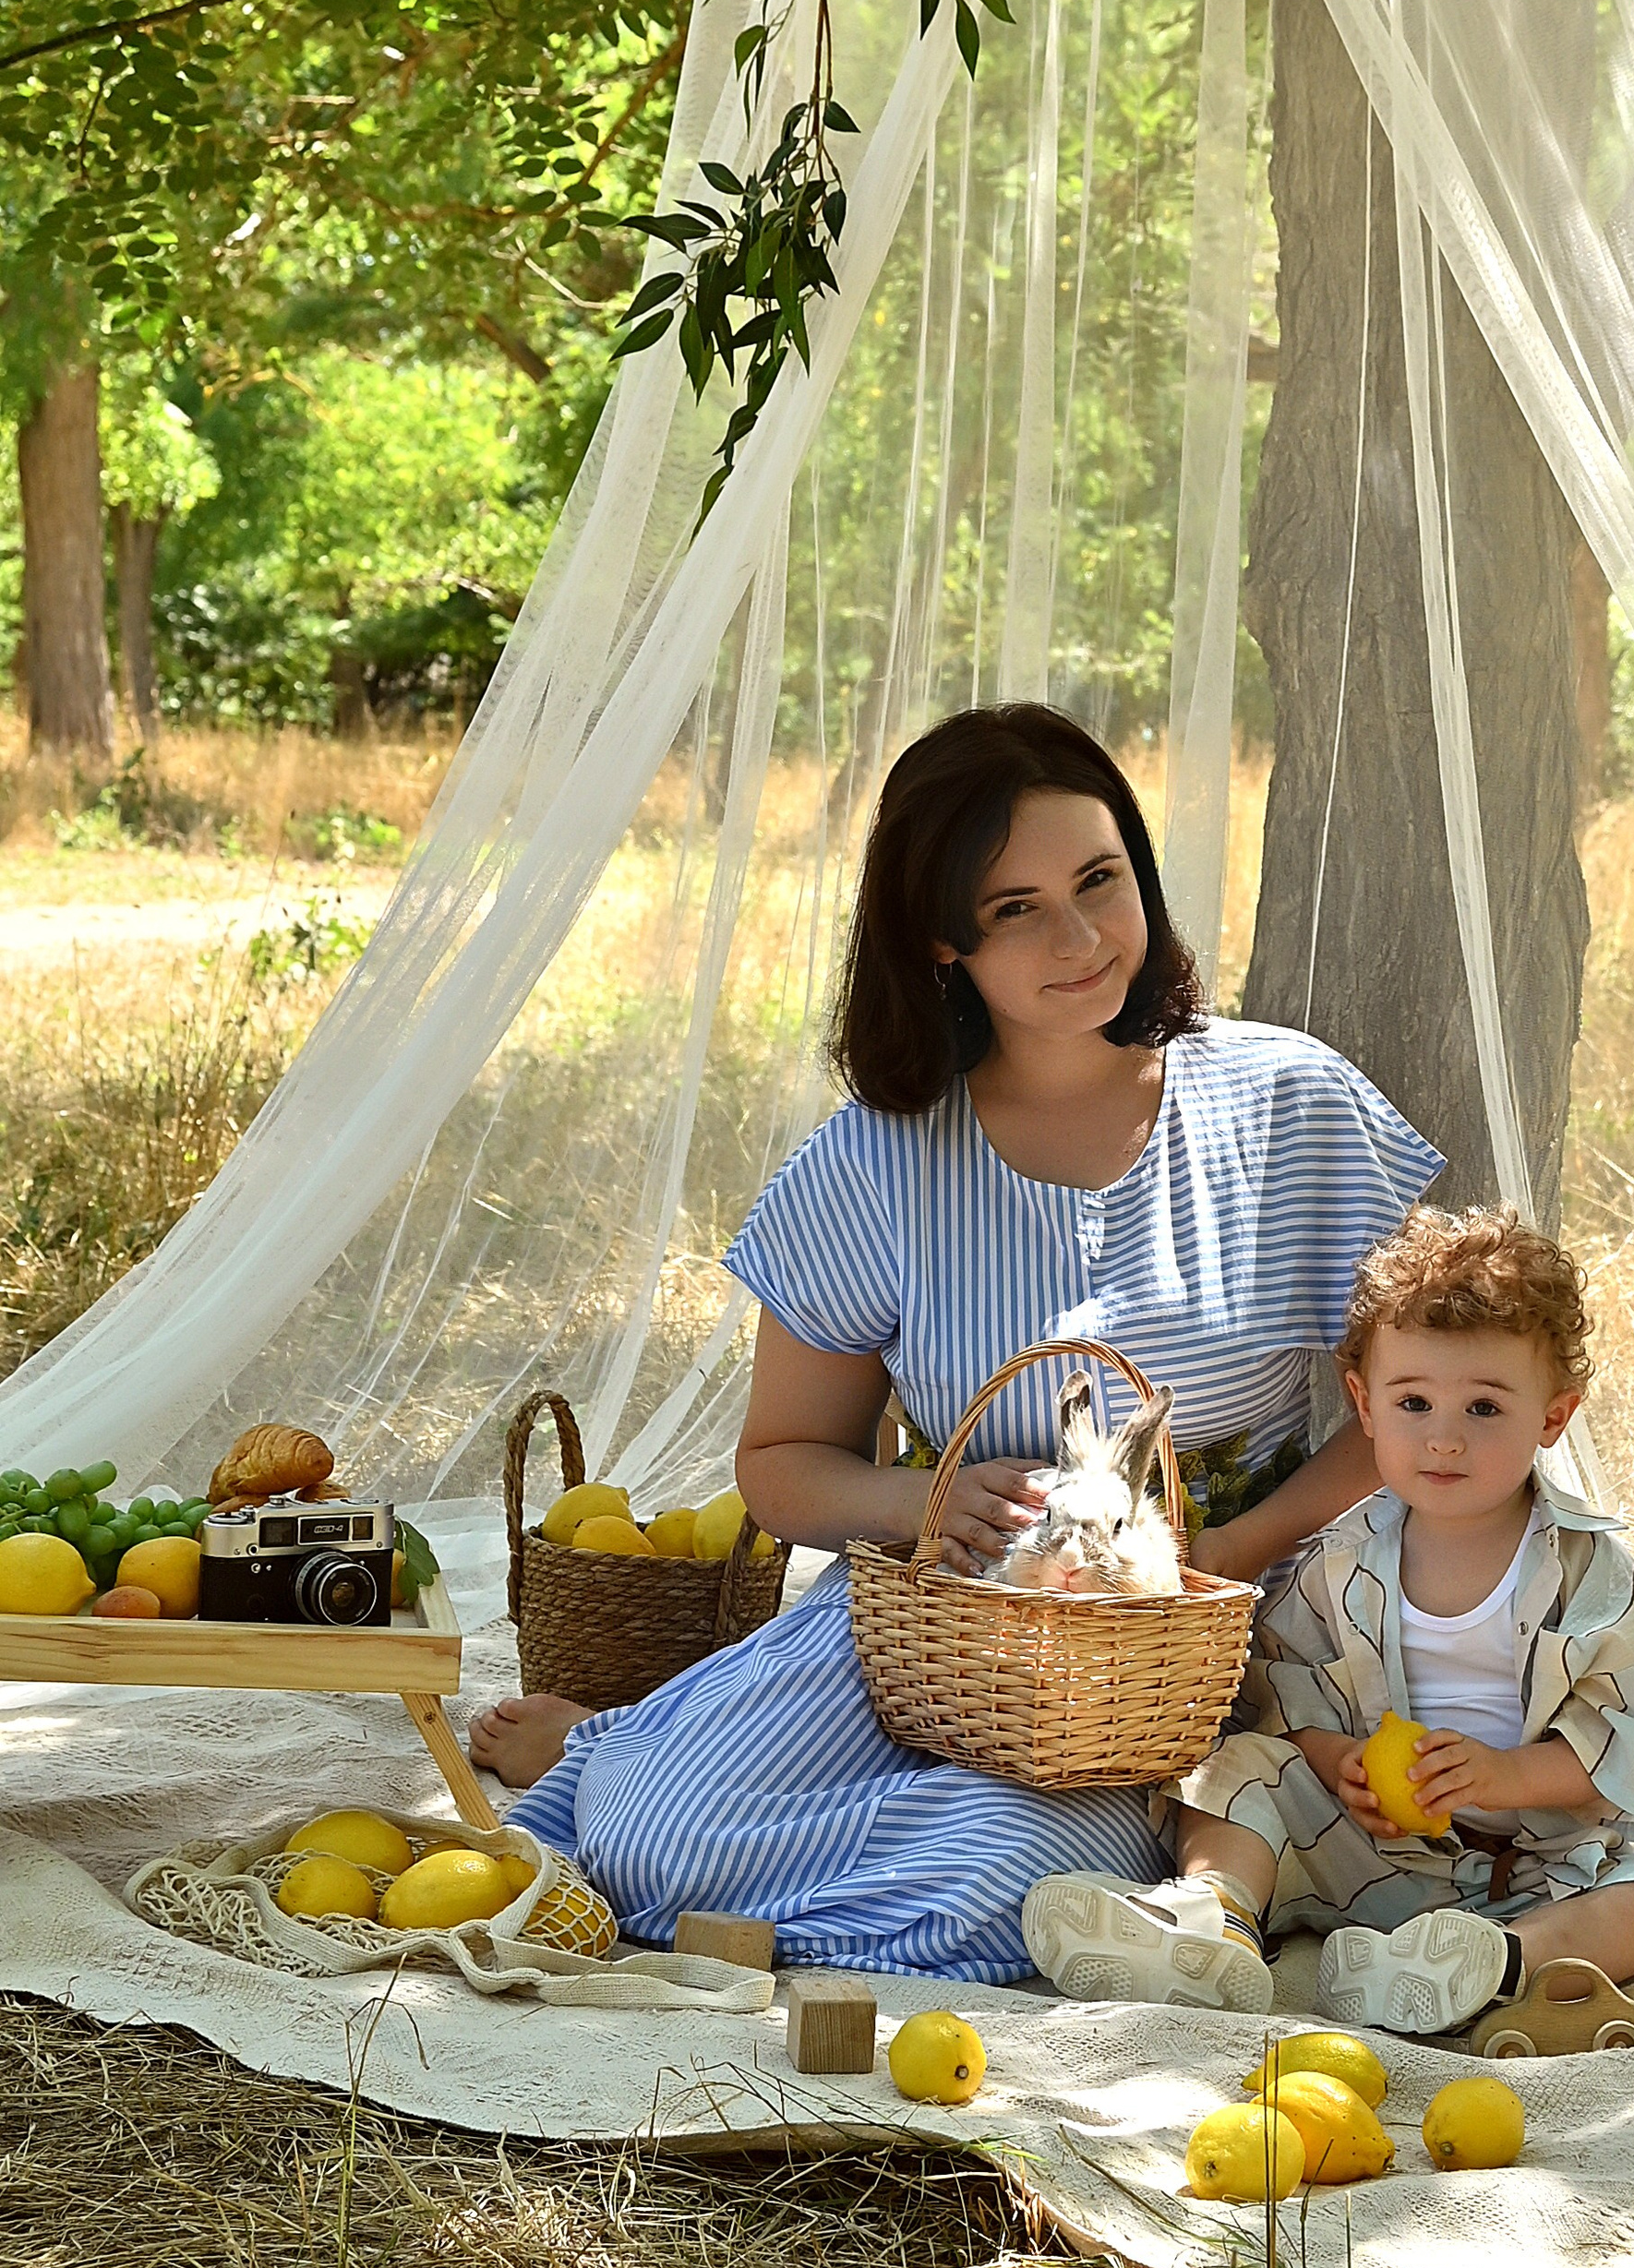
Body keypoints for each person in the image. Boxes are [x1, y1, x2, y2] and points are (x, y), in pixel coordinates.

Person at [470, 702, 1442, 1986]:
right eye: (1016, 910)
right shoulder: (878, 1158)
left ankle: (716, 1789)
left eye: (1101, 881)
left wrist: (1219, 1554)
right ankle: (633, 1762)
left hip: (1184, 1658)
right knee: (658, 1841)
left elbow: (1422, 1412)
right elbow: (781, 1462)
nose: (1083, 937)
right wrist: (926, 1497)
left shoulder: (1287, 1103)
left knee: (1004, 1891)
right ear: (943, 944)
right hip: (932, 1624)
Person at [1025, 1204, 1634, 2034]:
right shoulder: (1340, 1560)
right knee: (1231, 1768)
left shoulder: (1592, 1578)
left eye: (1484, 1409)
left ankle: (1493, 1963)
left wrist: (1500, 1776)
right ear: (1365, 1403)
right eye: (1414, 1402)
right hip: (1372, 1849)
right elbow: (1289, 1691)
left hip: (1537, 1863)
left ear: (1553, 1417)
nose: (1443, 1439)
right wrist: (1339, 1761)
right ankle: (1213, 1919)